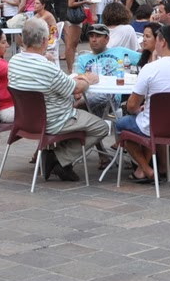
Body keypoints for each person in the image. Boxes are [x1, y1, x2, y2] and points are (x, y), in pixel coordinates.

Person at [6, 18, 112, 181]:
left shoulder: (14, 61)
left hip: (25, 119)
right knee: (101, 126)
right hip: (54, 120)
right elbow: (75, 88)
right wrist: (88, 79)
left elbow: (57, 85)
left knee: (80, 109)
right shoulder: (46, 68)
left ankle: (61, 162)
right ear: (43, 41)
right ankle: (58, 158)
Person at [118, 23, 170, 183]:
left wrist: (136, 109)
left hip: (153, 125)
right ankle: (163, 166)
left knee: (120, 124)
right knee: (150, 117)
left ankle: (146, 169)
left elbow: (132, 106)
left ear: (163, 42)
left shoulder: (151, 69)